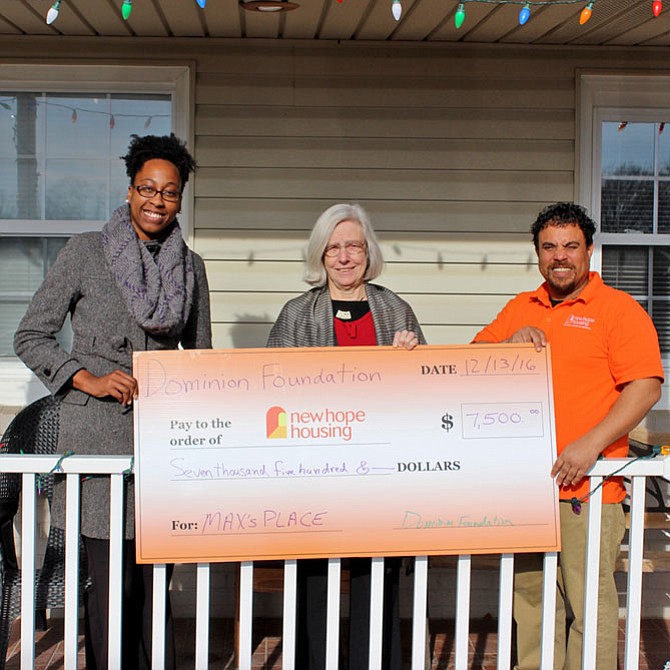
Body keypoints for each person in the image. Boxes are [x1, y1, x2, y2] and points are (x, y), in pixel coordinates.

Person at [14, 133, 212, 670]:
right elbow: (31, 335)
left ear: (180, 200)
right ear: (128, 191)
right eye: (147, 187)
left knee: (155, 583)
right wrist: (87, 378)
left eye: (169, 192)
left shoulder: (191, 268)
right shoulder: (85, 251)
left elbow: (200, 359)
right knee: (109, 588)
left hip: (162, 443)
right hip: (98, 442)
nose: (157, 199)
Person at [472, 202, 663, 670]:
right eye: (549, 247)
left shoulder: (618, 310)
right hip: (528, 488)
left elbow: (646, 386)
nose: (560, 256)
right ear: (537, 254)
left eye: (571, 246)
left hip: (591, 487)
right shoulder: (520, 307)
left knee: (588, 605)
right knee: (533, 603)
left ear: (589, 251)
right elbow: (474, 360)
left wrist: (590, 444)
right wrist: (507, 344)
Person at [267, 203, 426, 670]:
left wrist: (410, 363)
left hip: (380, 477)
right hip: (314, 477)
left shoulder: (396, 310)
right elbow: (270, 390)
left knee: (377, 578)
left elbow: (426, 394)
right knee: (314, 582)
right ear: (320, 255)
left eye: (353, 245)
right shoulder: (297, 314)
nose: (343, 256)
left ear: (368, 251)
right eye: (333, 247)